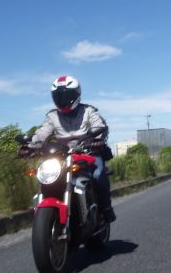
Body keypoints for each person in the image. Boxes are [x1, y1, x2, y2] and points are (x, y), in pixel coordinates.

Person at [27, 75, 116, 222]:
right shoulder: (52, 116)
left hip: (89, 152)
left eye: (66, 96)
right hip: (62, 156)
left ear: (76, 95)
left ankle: (106, 208)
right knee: (46, 176)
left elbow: (99, 125)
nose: (62, 100)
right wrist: (30, 147)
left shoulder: (88, 111)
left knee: (98, 174)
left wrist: (97, 140)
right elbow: (42, 133)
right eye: (58, 96)